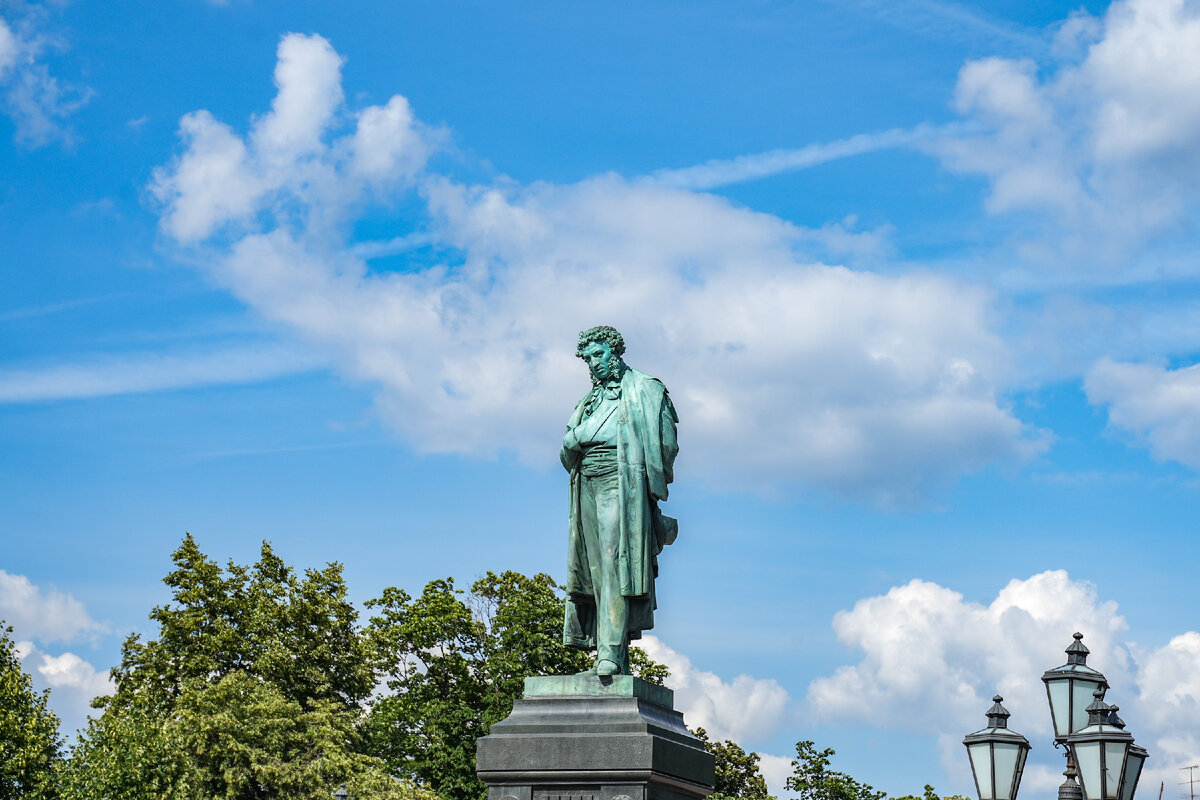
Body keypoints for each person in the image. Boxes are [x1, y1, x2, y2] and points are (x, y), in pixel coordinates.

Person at [561, 325, 679, 677]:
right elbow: (567, 446)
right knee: (593, 570)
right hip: (586, 483)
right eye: (588, 358)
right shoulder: (588, 400)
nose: (593, 364)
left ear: (615, 352)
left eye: (598, 355)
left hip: (621, 482)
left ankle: (610, 653)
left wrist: (647, 483)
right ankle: (610, 655)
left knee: (615, 564)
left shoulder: (646, 389)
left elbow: (667, 443)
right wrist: (576, 439)